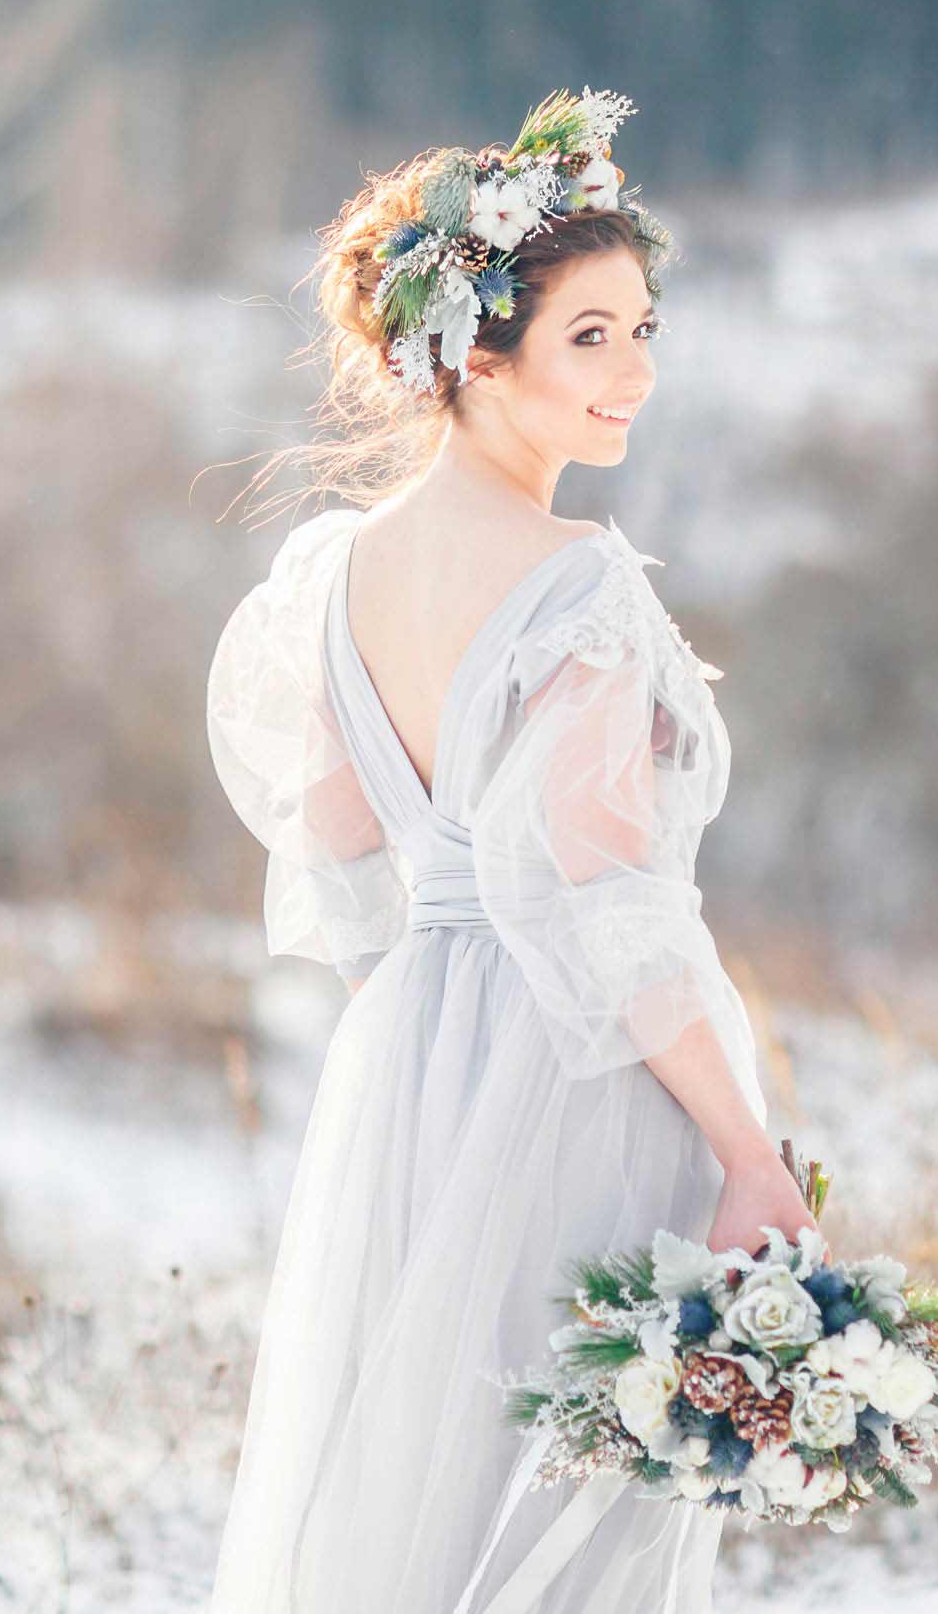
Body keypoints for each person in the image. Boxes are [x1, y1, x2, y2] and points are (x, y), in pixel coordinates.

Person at [204, 88, 826, 1611]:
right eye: (591, 337)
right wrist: (750, 1155)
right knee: (574, 1501)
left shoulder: (340, 569)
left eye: (642, 329)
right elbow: (608, 905)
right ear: (477, 354)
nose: (638, 373)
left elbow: (346, 849)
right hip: (574, 1064)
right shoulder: (575, 586)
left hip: (412, 1052)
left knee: (419, 1477)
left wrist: (430, 1030)